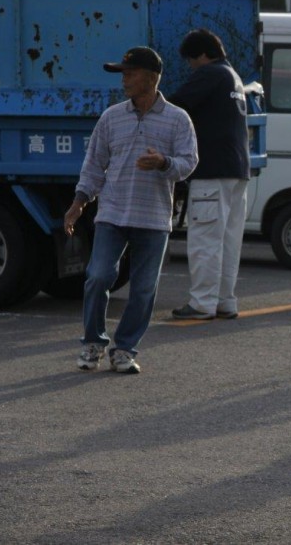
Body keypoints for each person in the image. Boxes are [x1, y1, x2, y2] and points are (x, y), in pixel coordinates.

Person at [65, 47, 198, 374]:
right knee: (97, 277)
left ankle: (124, 349)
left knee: (142, 289)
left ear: (151, 78)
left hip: (153, 218)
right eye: (122, 73)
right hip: (112, 214)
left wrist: (163, 162)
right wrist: (78, 204)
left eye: (130, 73)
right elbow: (94, 165)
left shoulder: (178, 119)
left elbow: (189, 162)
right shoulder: (112, 117)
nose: (124, 79)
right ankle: (93, 343)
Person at [168, 29, 251, 321]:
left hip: (212, 169)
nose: (191, 66)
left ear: (203, 55)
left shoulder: (211, 73)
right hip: (237, 169)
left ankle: (202, 302)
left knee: (205, 238)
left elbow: (175, 104)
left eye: (191, 60)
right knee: (229, 241)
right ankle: (225, 301)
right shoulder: (233, 76)